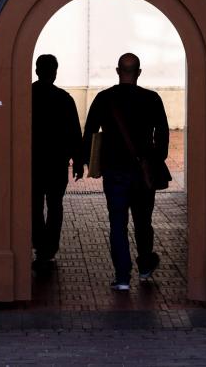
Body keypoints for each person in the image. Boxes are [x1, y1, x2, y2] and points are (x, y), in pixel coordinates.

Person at [79, 53, 169, 291]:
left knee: (117, 224)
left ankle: (121, 277)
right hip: (142, 172)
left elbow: (89, 132)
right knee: (143, 221)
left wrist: (85, 162)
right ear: (139, 72)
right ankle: (145, 266)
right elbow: (162, 137)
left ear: (118, 71)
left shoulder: (104, 98)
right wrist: (154, 160)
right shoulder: (152, 99)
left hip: (115, 171)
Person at [31, 55, 82, 269]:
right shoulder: (64, 98)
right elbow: (74, 132)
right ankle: (49, 248)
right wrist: (78, 161)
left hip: (33, 162)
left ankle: (39, 244)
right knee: (55, 205)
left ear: (37, 70)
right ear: (55, 72)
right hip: (56, 162)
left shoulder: (26, 95)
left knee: (33, 205)